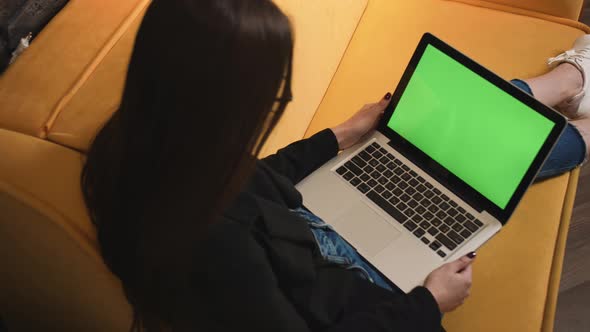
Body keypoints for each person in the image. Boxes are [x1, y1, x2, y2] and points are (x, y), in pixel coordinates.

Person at [80, 0, 589, 331]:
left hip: (297, 240)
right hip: (348, 284)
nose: (280, 97)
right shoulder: (222, 258)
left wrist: (343, 134)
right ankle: (577, 105)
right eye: (273, 92)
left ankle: (565, 84)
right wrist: (430, 303)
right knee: (473, 162)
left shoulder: (140, 144)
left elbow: (246, 184)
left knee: (424, 137)